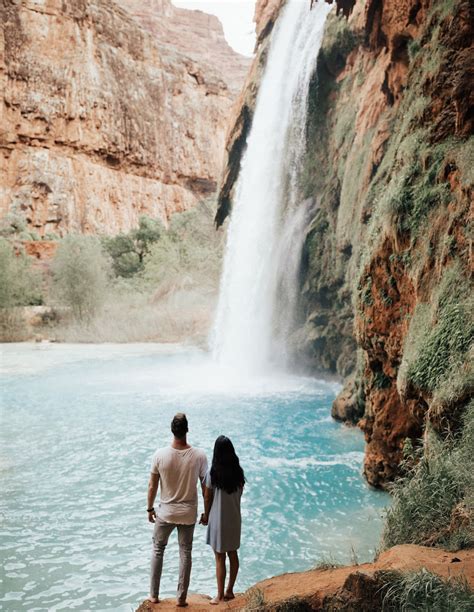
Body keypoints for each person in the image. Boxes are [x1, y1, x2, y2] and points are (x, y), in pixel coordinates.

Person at [147, 413, 208, 607]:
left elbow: (152, 485)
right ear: (187, 430)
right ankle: (181, 598)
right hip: (188, 513)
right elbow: (206, 486)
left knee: (158, 549)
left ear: (172, 430)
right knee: (185, 552)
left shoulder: (159, 455)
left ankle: (154, 595)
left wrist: (149, 508)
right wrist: (207, 512)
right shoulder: (199, 455)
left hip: (165, 512)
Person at [200, 436, 245, 605]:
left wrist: (205, 516)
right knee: (233, 553)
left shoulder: (213, 473)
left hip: (218, 519)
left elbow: (207, 496)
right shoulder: (239, 473)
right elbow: (239, 494)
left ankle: (219, 595)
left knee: (219, 557)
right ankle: (230, 590)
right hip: (234, 518)